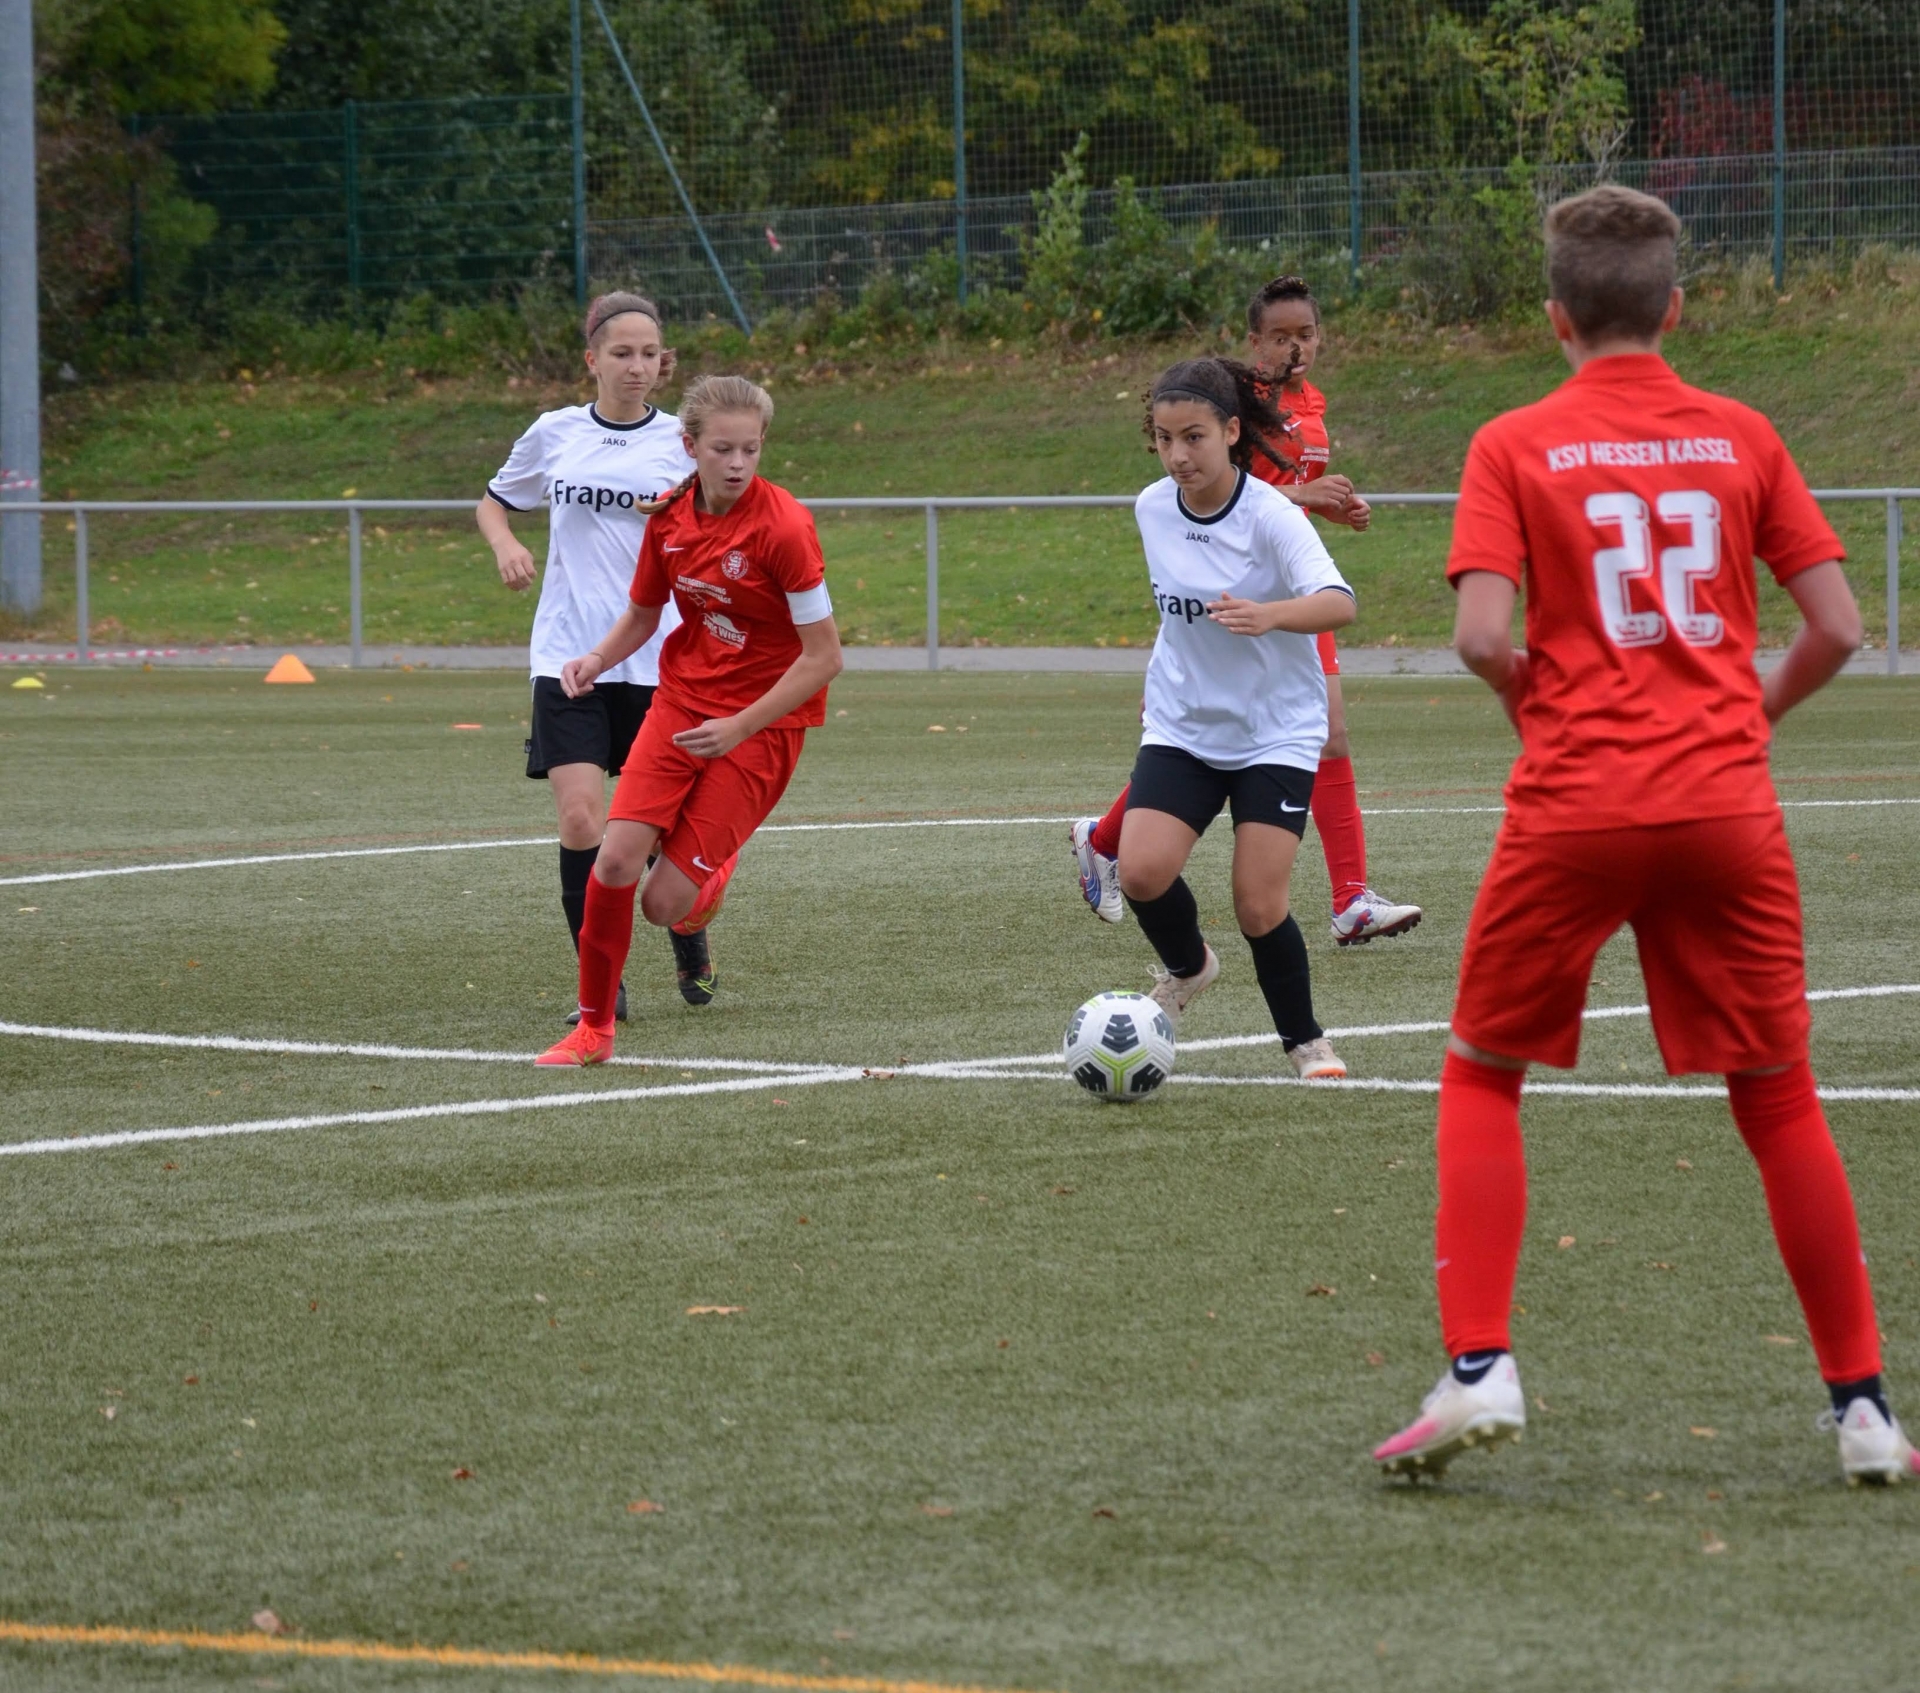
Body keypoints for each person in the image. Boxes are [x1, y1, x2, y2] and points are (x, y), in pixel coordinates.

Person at [1372, 185, 1914, 1485]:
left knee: (1483, 1072)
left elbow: (1482, 637)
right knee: (1777, 1095)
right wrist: (1744, 718)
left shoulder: (1513, 441)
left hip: (1574, 805)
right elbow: (1841, 627)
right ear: (1676, 309)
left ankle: (1481, 1367)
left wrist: (1540, 708)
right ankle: (1865, 1412)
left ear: (1554, 318)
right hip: (1726, 808)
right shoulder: (1742, 434)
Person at [1071, 276, 1421, 949]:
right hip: (1243, 596)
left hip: (1284, 592)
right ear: (1254, 342)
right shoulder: (1234, 408)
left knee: (1330, 733)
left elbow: (1277, 501)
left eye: (1306, 334)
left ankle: (1349, 897)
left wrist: (1328, 509)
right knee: (1286, 734)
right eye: (1281, 336)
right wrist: (1304, 495)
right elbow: (1229, 499)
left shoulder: (1309, 402)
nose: (1296, 347)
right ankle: (1111, 840)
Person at [535, 374, 844, 1066]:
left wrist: (739, 726)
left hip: (765, 725)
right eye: (722, 449)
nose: (737, 464)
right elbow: (643, 614)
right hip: (679, 702)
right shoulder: (670, 516)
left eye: (751, 449)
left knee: (662, 905)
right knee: (614, 859)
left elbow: (825, 657)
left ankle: (711, 872)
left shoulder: (785, 527)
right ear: (690, 446)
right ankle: (594, 1031)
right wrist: (597, 657)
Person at [477, 291, 718, 1017]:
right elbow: (494, 501)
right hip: (567, 655)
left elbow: (725, 528)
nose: (636, 366)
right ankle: (602, 982)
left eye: (648, 354)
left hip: (659, 660)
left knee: (660, 833)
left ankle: (688, 932)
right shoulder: (555, 432)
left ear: (663, 362)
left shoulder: (684, 442)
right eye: (621, 353)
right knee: (582, 819)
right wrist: (506, 542)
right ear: (593, 360)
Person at [1118, 357, 1356, 1082]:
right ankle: (1189, 967)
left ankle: (1306, 1042)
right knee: (1140, 871)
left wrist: (1271, 615)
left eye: (1193, 437)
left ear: (1229, 432)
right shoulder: (1152, 507)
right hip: (1184, 725)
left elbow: (1339, 602)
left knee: (1257, 905)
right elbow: (1180, 608)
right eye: (1164, 439)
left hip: (1274, 732)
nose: (1178, 456)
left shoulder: (1271, 516)